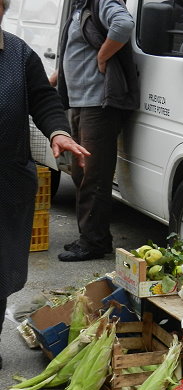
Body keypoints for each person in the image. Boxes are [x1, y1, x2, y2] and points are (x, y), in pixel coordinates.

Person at [0, 0, 90, 368]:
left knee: (3, 268)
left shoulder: (18, 54)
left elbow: (44, 98)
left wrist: (58, 131)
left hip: (8, 182)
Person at [55, 0, 139, 262]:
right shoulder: (79, 7)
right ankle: (92, 237)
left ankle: (93, 243)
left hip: (99, 104)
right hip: (80, 102)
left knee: (94, 174)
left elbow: (123, 23)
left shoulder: (102, 1)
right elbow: (75, 51)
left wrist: (103, 56)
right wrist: (54, 79)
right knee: (80, 172)